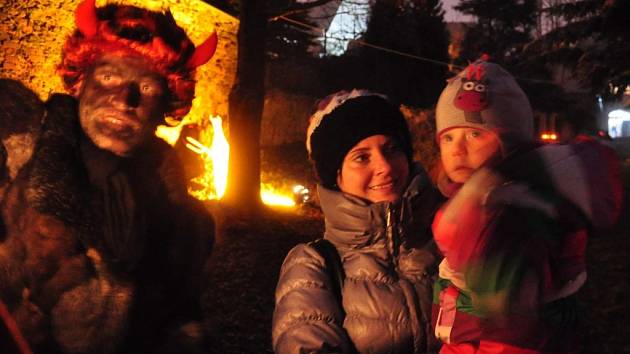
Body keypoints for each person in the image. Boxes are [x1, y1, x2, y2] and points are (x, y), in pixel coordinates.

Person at [0, 0, 217, 353]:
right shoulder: (10, 160)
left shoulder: (187, 224)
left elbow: (181, 318)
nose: (124, 99)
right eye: (108, 77)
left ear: (166, 106)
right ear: (80, 82)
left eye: (147, 89)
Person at [430, 60, 623, 353]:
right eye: (448, 137)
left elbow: (509, 323)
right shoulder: (482, 198)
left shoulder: (511, 211)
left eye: (474, 134)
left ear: (511, 142)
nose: (457, 148)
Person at [272, 90, 444, 354]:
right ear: (335, 177)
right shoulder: (315, 265)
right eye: (362, 157)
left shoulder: (450, 239)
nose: (385, 166)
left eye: (391, 149)